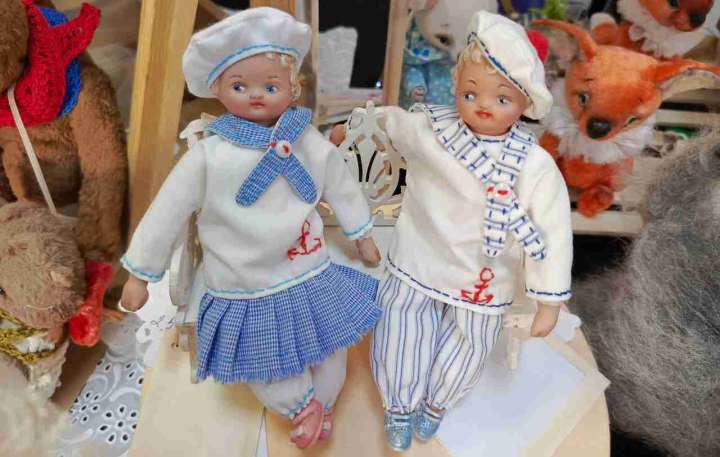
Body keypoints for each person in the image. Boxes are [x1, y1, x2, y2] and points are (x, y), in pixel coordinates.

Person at [119, 7, 382, 449]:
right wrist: (140, 274)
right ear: (217, 89)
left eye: (271, 86)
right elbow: (166, 211)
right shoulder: (209, 157)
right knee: (263, 364)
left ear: (294, 88)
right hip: (244, 281)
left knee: (332, 346)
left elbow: (340, 183)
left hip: (306, 270)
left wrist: (362, 234)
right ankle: (301, 408)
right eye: (240, 86)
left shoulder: (306, 140)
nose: (256, 95)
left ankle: (324, 402)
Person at [337, 11, 573, 452]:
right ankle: (399, 405)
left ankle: (437, 402)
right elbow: (391, 120)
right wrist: (357, 125)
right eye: (469, 92)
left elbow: (552, 231)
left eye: (502, 98)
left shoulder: (534, 165)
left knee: (470, 345)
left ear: (525, 103)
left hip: (483, 274)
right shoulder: (431, 129)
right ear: (455, 86)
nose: (483, 105)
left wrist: (549, 300)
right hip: (419, 257)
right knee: (400, 328)